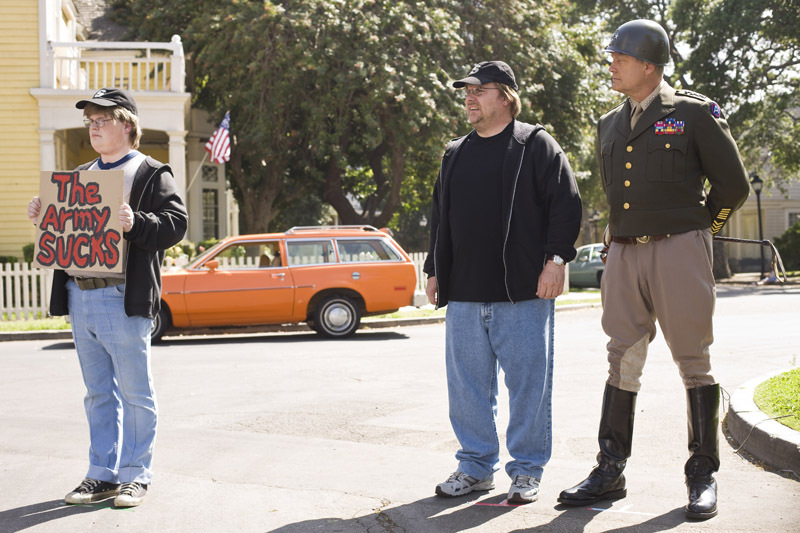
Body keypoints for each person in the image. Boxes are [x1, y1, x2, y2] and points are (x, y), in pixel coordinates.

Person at [557, 20, 750, 519]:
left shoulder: (693, 113)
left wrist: (700, 228)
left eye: (620, 57)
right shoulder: (608, 123)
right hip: (622, 251)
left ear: (649, 65)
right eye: (612, 56)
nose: (611, 64)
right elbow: (615, 192)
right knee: (621, 358)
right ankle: (609, 471)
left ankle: (702, 472)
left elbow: (733, 187)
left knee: (693, 360)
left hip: (678, 249)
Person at [424, 61, 582, 504]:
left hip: (523, 294)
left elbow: (565, 206)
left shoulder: (536, 145)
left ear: (507, 96)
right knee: (467, 389)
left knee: (529, 386)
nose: (469, 98)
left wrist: (555, 260)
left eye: (480, 90)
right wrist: (435, 269)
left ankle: (527, 470)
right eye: (466, 91)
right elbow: (441, 218)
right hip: (466, 296)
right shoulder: (454, 153)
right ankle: (475, 467)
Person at [26, 88, 188, 508]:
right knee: (97, 392)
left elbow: (175, 224)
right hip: (80, 294)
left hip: (123, 295)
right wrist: (45, 213)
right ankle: (101, 474)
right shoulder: (80, 174)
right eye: (90, 122)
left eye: (102, 120)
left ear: (128, 125)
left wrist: (136, 222)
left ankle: (136, 475)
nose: (94, 128)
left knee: (136, 392)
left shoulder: (151, 172)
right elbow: (68, 232)